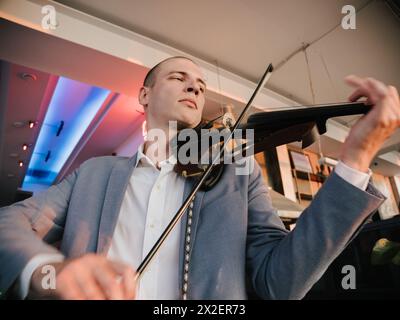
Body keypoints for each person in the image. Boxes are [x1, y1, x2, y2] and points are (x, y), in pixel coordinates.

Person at [0, 56, 399, 300]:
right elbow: (8, 223)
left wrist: (356, 160)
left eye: (201, 85)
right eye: (177, 77)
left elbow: (281, 285)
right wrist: (47, 270)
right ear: (144, 95)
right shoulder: (94, 172)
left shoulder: (238, 176)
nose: (195, 85)